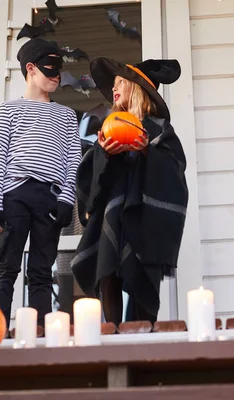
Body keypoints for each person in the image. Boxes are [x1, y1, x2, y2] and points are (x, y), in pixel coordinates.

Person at [71, 57, 188, 325]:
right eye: (113, 85)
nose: (114, 90)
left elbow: (174, 172)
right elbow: (95, 180)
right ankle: (112, 333)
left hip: (146, 220)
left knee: (142, 279)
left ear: (136, 89)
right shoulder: (108, 130)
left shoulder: (160, 130)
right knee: (108, 273)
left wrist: (147, 150)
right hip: (112, 217)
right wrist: (105, 154)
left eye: (120, 83)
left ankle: (142, 335)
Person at [0, 38, 82, 334]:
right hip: (14, 197)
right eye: (50, 69)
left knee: (41, 270)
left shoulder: (66, 116)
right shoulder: (8, 110)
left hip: (50, 199)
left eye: (59, 71)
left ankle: (41, 332)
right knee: (5, 266)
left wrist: (66, 199)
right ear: (30, 69)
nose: (56, 76)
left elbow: (72, 161)